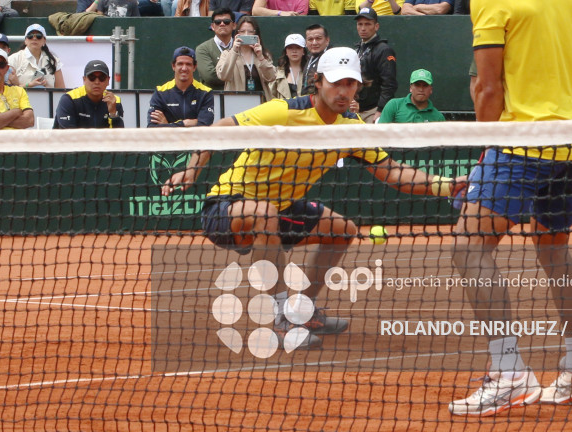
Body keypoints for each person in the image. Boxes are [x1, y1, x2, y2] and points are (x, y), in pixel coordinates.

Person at [161, 46, 464, 349]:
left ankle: (301, 312)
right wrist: (191, 172)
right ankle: (280, 318)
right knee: (265, 212)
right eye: (336, 82)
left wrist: (447, 185)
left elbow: (394, 173)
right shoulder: (282, 111)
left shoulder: (351, 130)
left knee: (342, 230)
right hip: (227, 210)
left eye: (351, 83)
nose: (344, 91)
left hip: (279, 211)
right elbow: (217, 130)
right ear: (318, 81)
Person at [447, 0, 572, 417]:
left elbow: (488, 89)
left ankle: (509, 370)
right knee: (554, 251)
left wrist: (480, 151)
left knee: (470, 247)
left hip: (522, 142)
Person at [148, 46, 214, 127]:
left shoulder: (205, 92)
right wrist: (185, 123)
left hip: (195, 139)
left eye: (188, 64)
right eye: (180, 64)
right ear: (173, 66)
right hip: (169, 140)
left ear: (194, 67)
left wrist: (167, 125)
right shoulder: (160, 92)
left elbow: (204, 124)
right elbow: (152, 127)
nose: (184, 68)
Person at [353, 7, 397, 123]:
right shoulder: (357, 49)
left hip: (372, 111)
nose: (363, 28)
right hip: (355, 109)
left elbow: (389, 84)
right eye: (360, 24)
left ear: (376, 26)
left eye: (367, 24)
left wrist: (381, 110)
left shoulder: (384, 50)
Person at [216, 15, 276, 99]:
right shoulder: (226, 54)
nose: (246, 35)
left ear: (256, 33)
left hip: (261, 104)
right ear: (237, 33)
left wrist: (261, 57)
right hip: (237, 103)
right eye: (242, 31)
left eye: (250, 32)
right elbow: (223, 76)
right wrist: (234, 51)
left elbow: (271, 77)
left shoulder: (264, 54)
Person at [53, 60, 123, 128]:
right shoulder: (69, 99)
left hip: (102, 140)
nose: (97, 82)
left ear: (108, 81)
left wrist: (113, 114)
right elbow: (67, 135)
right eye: (92, 77)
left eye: (102, 78)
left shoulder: (114, 101)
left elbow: (119, 136)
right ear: (84, 80)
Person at [0, 48, 34, 130]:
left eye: (1, 64)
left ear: (7, 68)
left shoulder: (19, 90)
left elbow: (30, 120)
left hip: (18, 141)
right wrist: (15, 112)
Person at [8, 24, 65, 90]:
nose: (34, 38)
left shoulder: (54, 61)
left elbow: (60, 90)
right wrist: (29, 85)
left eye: (39, 36)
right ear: (25, 40)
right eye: (30, 36)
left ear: (44, 40)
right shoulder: (13, 59)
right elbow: (8, 91)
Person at [379, 68, 445, 123]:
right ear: (410, 88)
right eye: (417, 85)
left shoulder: (438, 117)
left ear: (431, 90)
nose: (421, 89)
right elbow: (380, 133)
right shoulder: (394, 105)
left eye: (425, 85)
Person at [196, 9, 236, 90]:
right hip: (212, 97)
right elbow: (210, 77)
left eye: (226, 21)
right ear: (213, 26)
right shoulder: (203, 49)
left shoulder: (240, 47)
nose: (222, 24)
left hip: (239, 95)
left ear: (234, 25)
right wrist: (239, 76)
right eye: (217, 22)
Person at [272, 33, 308, 99]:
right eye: (290, 48)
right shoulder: (277, 73)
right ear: (286, 51)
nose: (294, 51)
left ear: (303, 51)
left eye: (298, 48)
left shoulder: (309, 72)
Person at [302, 24, 330, 95]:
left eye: (318, 38)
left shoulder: (331, 58)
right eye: (310, 39)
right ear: (306, 42)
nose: (314, 43)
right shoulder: (308, 58)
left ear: (327, 40)